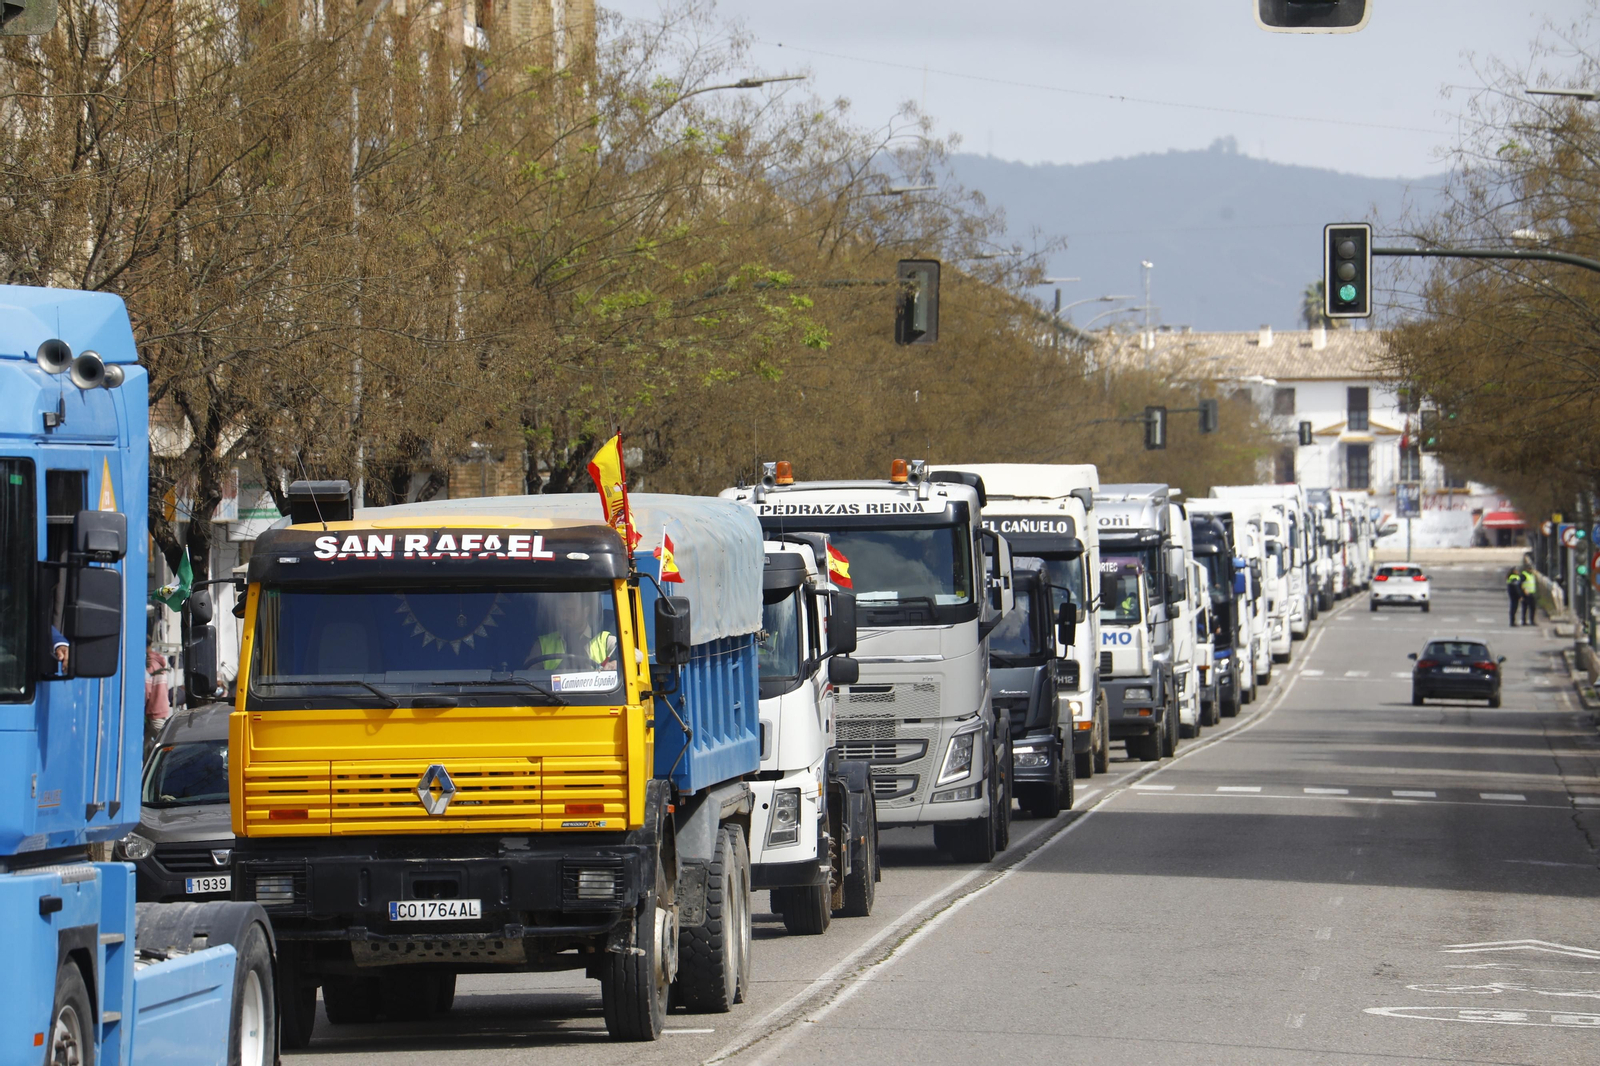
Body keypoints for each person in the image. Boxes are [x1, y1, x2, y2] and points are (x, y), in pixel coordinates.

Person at [525, 595, 617, 671]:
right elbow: (529, 678)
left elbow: (629, 655)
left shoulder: (604, 640)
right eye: (561, 611)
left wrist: (614, 664)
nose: (564, 616)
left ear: (586, 611)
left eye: (570, 611)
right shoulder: (543, 644)